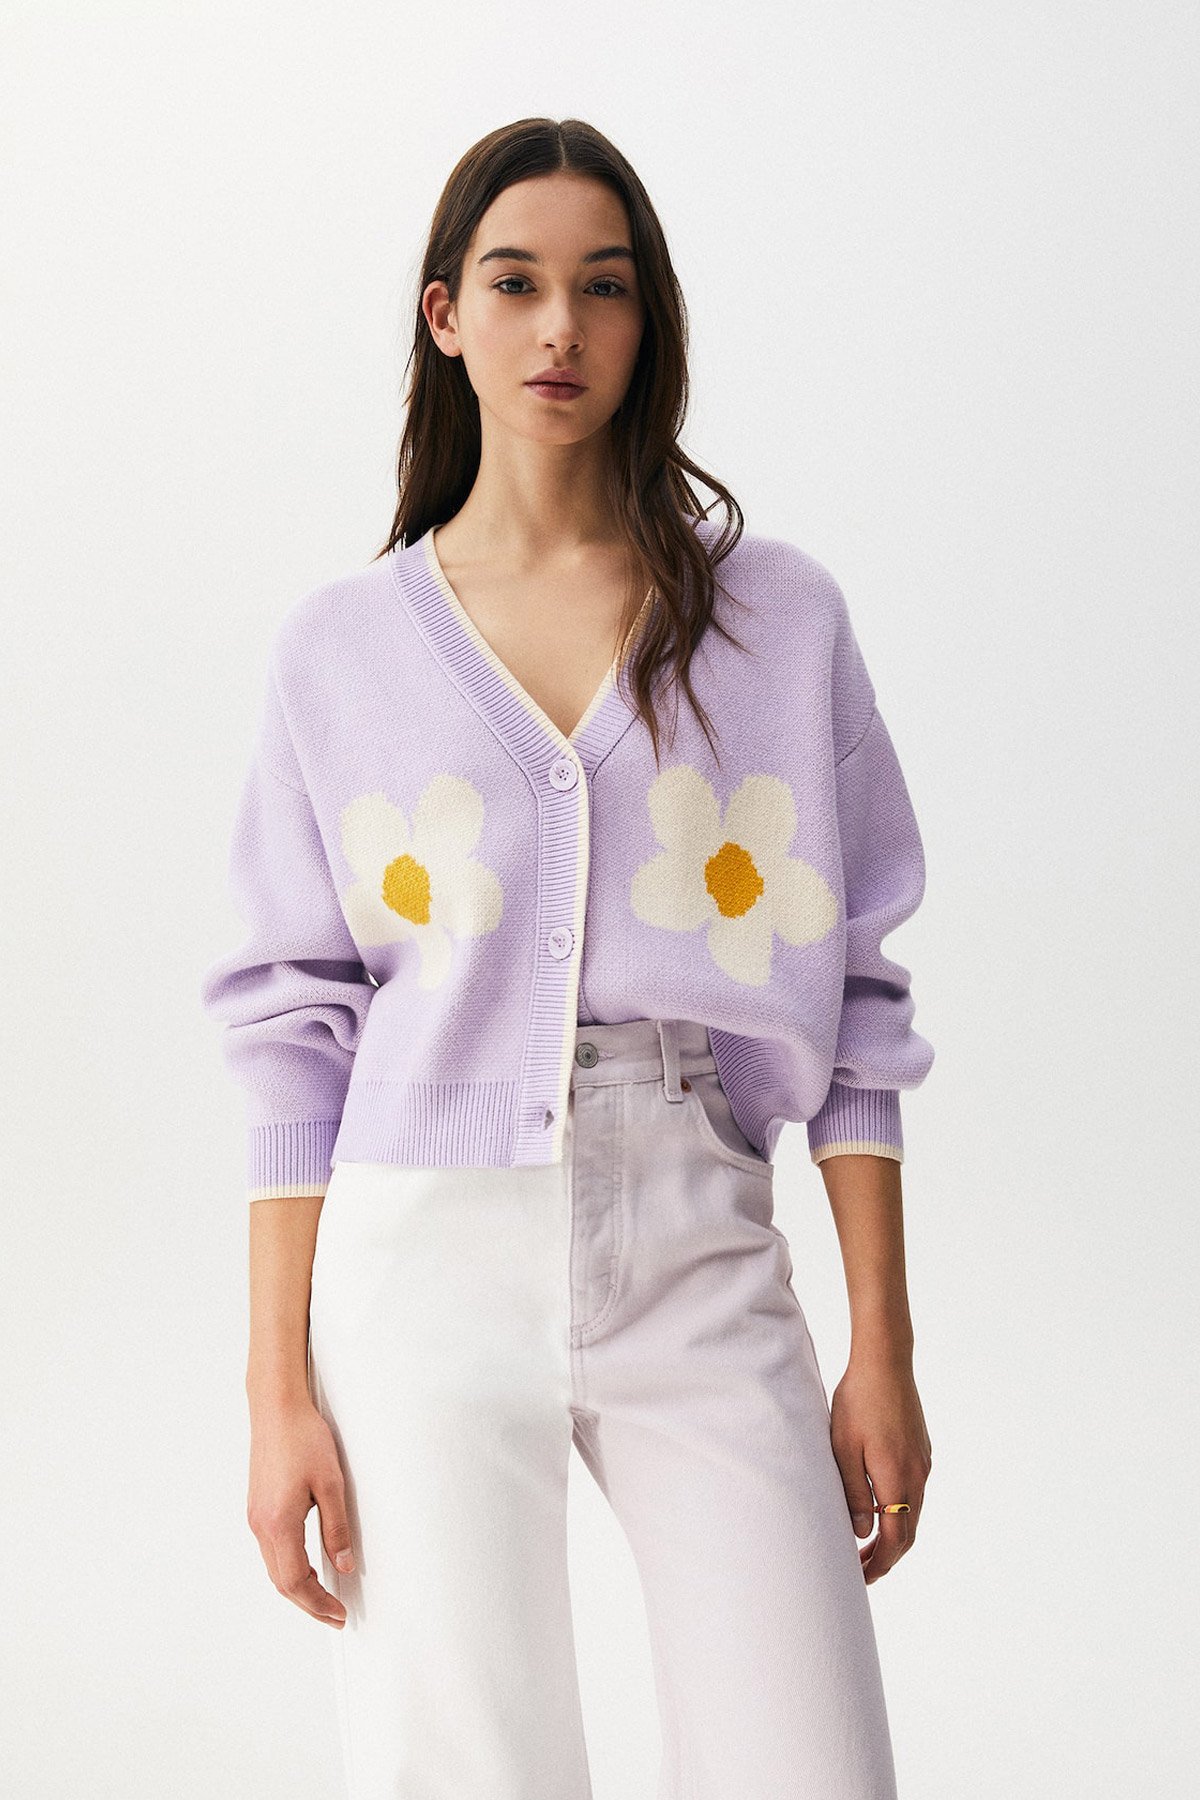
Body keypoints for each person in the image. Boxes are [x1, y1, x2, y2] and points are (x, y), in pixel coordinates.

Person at [200, 116, 935, 1800]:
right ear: (446, 315)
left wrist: (881, 1346)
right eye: (517, 284)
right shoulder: (339, 650)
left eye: (603, 288)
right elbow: (289, 1030)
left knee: (811, 1765)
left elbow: (862, 999)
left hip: (696, 1231)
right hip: (419, 1260)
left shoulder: (778, 622)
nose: (560, 329)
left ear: (646, 320)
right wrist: (275, 1390)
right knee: (467, 1770)